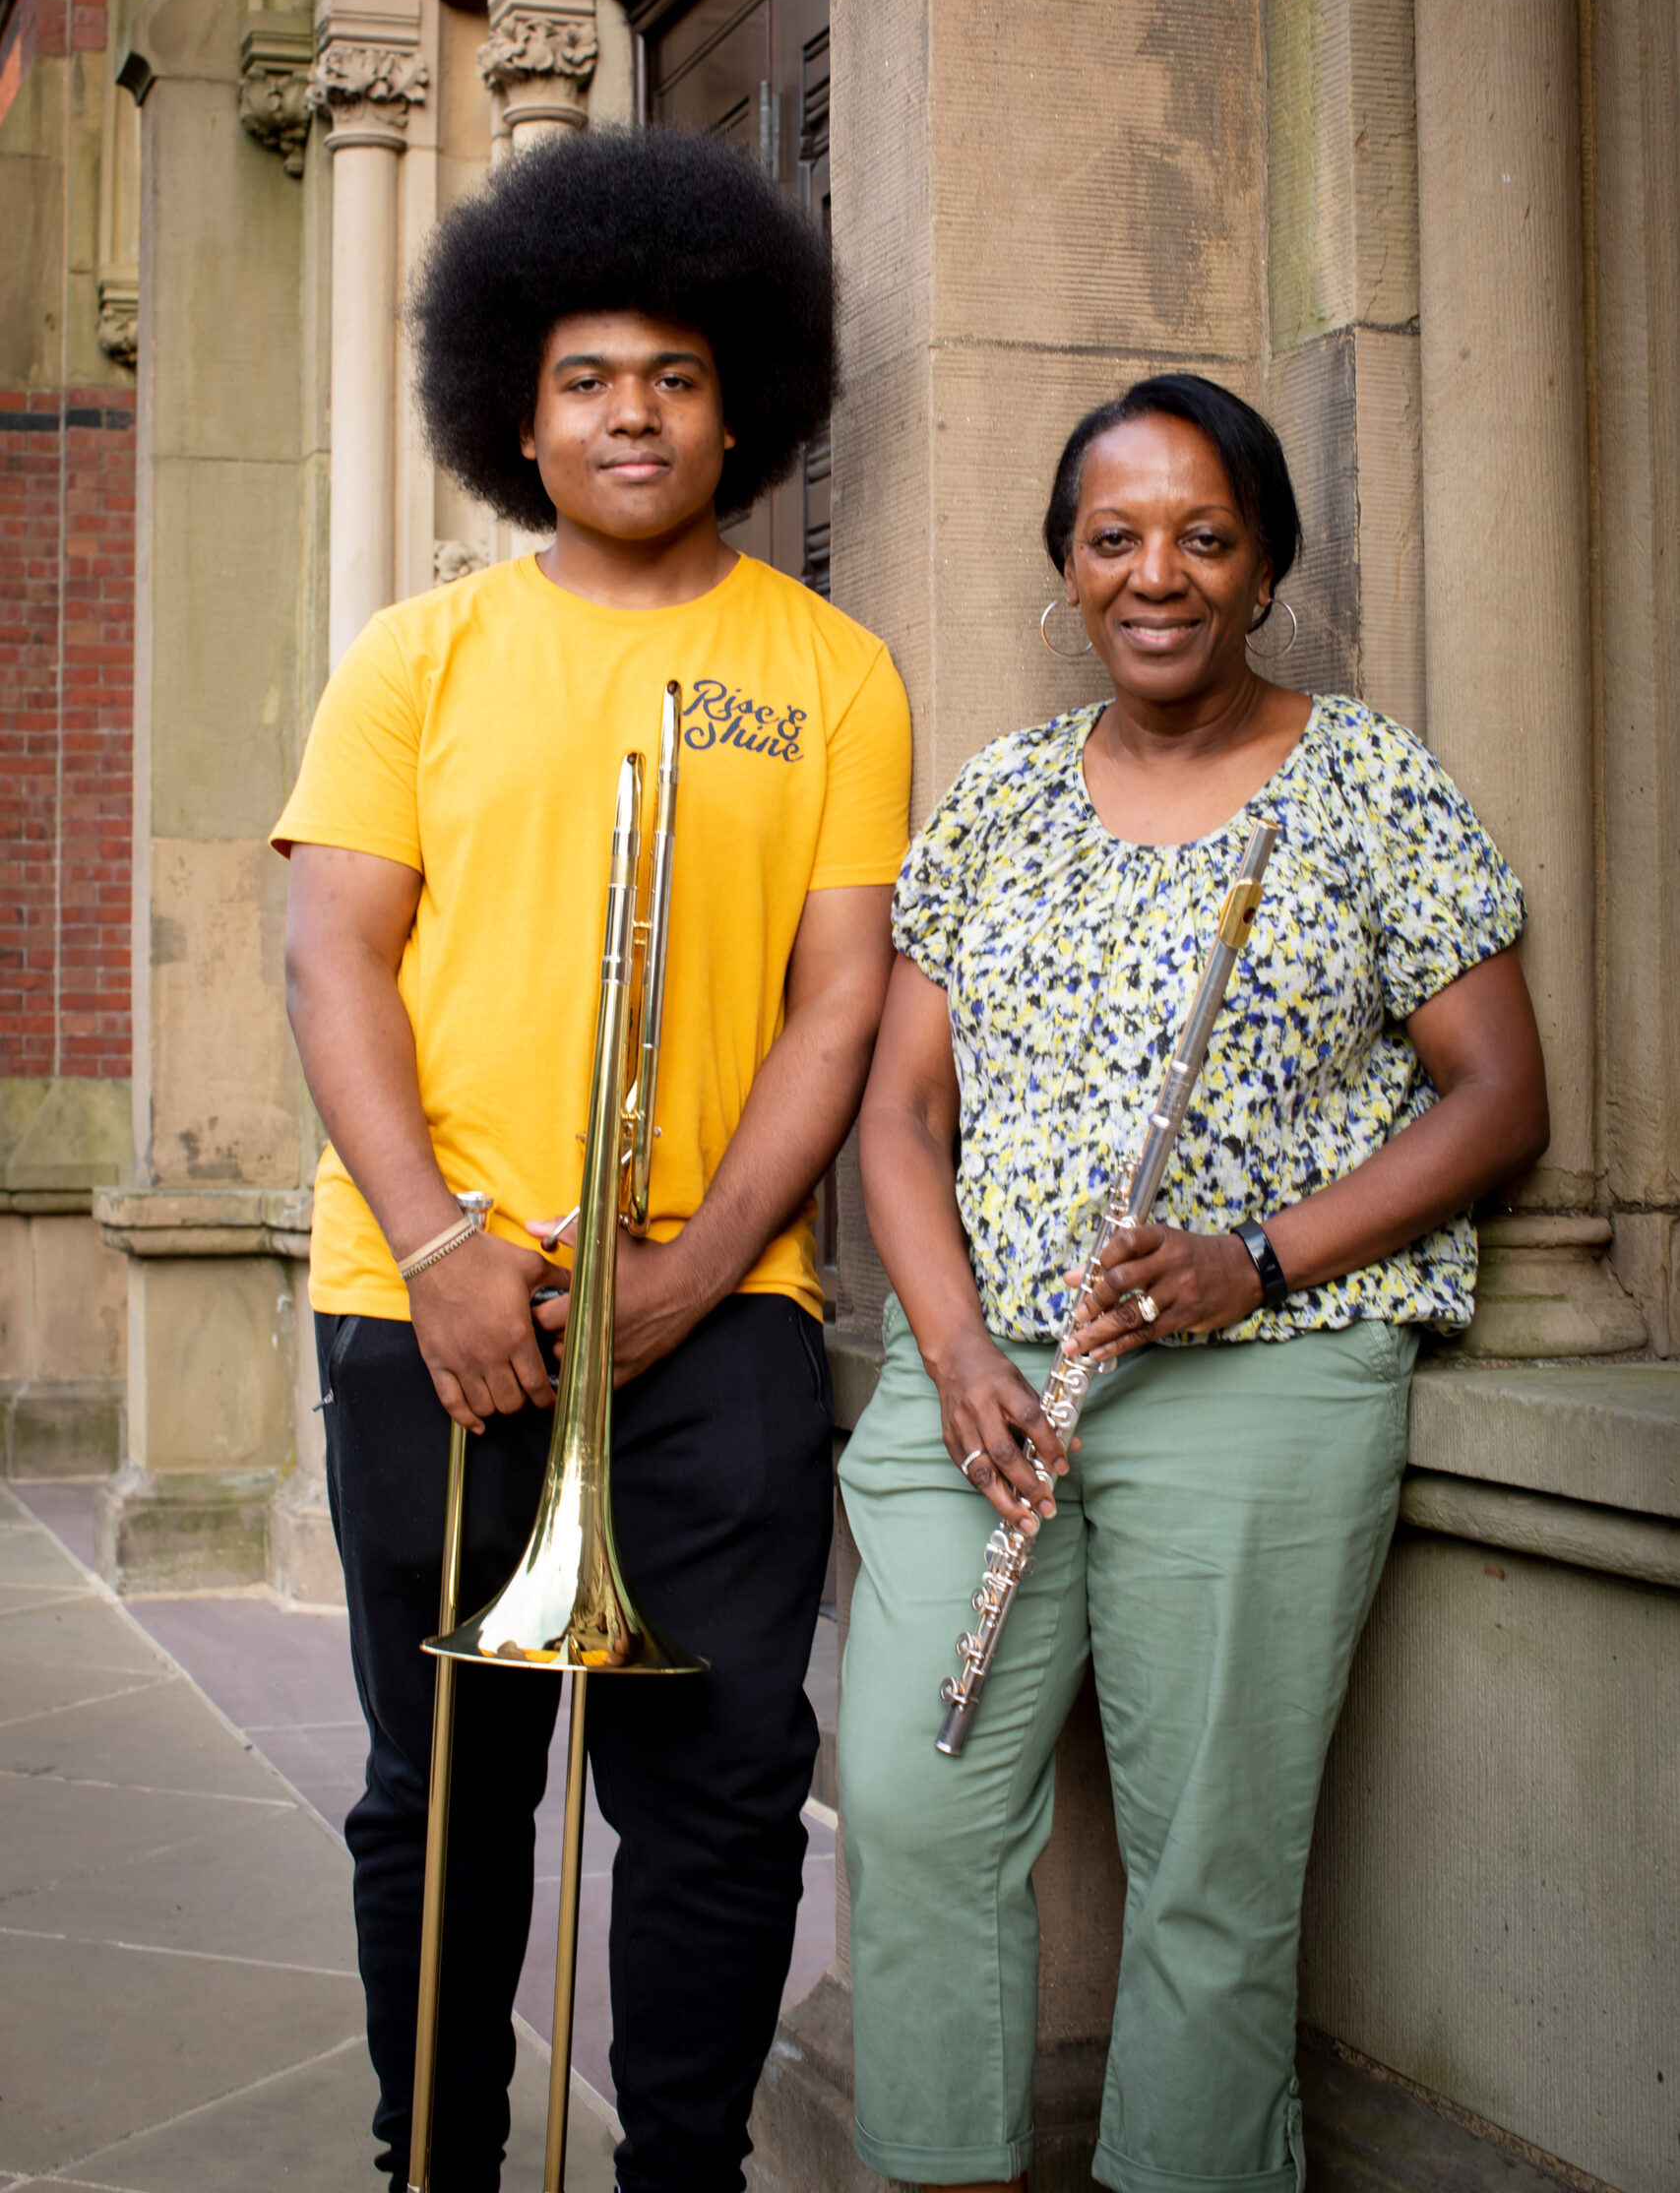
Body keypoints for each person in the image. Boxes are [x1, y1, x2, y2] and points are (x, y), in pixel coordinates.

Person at [273, 127, 911, 2193]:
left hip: (715, 1324)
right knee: (436, 1794)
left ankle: (685, 2172)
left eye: (673, 374)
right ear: (510, 415)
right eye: (583, 377)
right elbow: (330, 955)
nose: (631, 411)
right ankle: (432, 2162)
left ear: (743, 404)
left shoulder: (830, 671)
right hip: (428, 1305)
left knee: (725, 1789)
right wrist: (448, 1243)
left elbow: (838, 1003)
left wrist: (700, 1262)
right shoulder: (416, 655)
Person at [838, 374, 1548, 2193]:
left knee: (1213, 1865)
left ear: (1264, 567)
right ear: (1067, 570)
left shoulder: (1369, 784)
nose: (1156, 573)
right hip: (983, 1381)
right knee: (914, 1804)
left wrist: (1259, 1259)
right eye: (1114, 537)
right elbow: (898, 1123)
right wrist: (950, 1351)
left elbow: (1498, 1098)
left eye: (1202, 536)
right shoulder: (997, 798)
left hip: (1268, 1374)